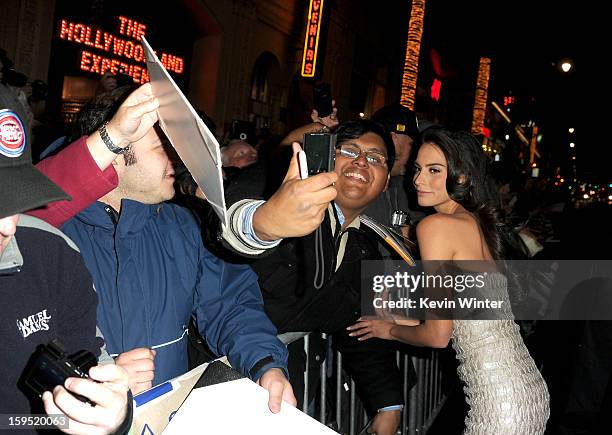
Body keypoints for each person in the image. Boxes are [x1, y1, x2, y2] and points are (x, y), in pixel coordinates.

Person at [59, 86, 295, 413]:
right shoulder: (48, 233)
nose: (177, 159)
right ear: (114, 153)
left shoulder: (183, 226)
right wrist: (94, 375)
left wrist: (265, 364)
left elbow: (229, 304)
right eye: (161, 147)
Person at [198, 120, 409, 435]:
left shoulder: (367, 247)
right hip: (212, 369)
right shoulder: (280, 193)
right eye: (349, 150)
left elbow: (362, 329)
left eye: (376, 158)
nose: (362, 162)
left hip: (283, 383)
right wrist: (265, 224)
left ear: (386, 180)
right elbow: (229, 228)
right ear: (323, 159)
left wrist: (388, 404)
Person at [348, 128, 550, 433]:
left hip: (500, 404)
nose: (418, 180)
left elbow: (437, 336)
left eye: (434, 170)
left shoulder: (436, 226)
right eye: (417, 169)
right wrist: (395, 320)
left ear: (462, 176)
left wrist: (388, 328)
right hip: (526, 390)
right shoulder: (474, 222)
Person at [0, 93, 131, 435]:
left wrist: (113, 415)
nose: (8, 226)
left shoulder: (51, 252)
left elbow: (89, 355)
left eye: (13, 196)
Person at [365, 103, 420, 239]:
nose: (416, 154)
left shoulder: (408, 185)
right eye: (412, 145)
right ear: (393, 139)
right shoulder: (362, 182)